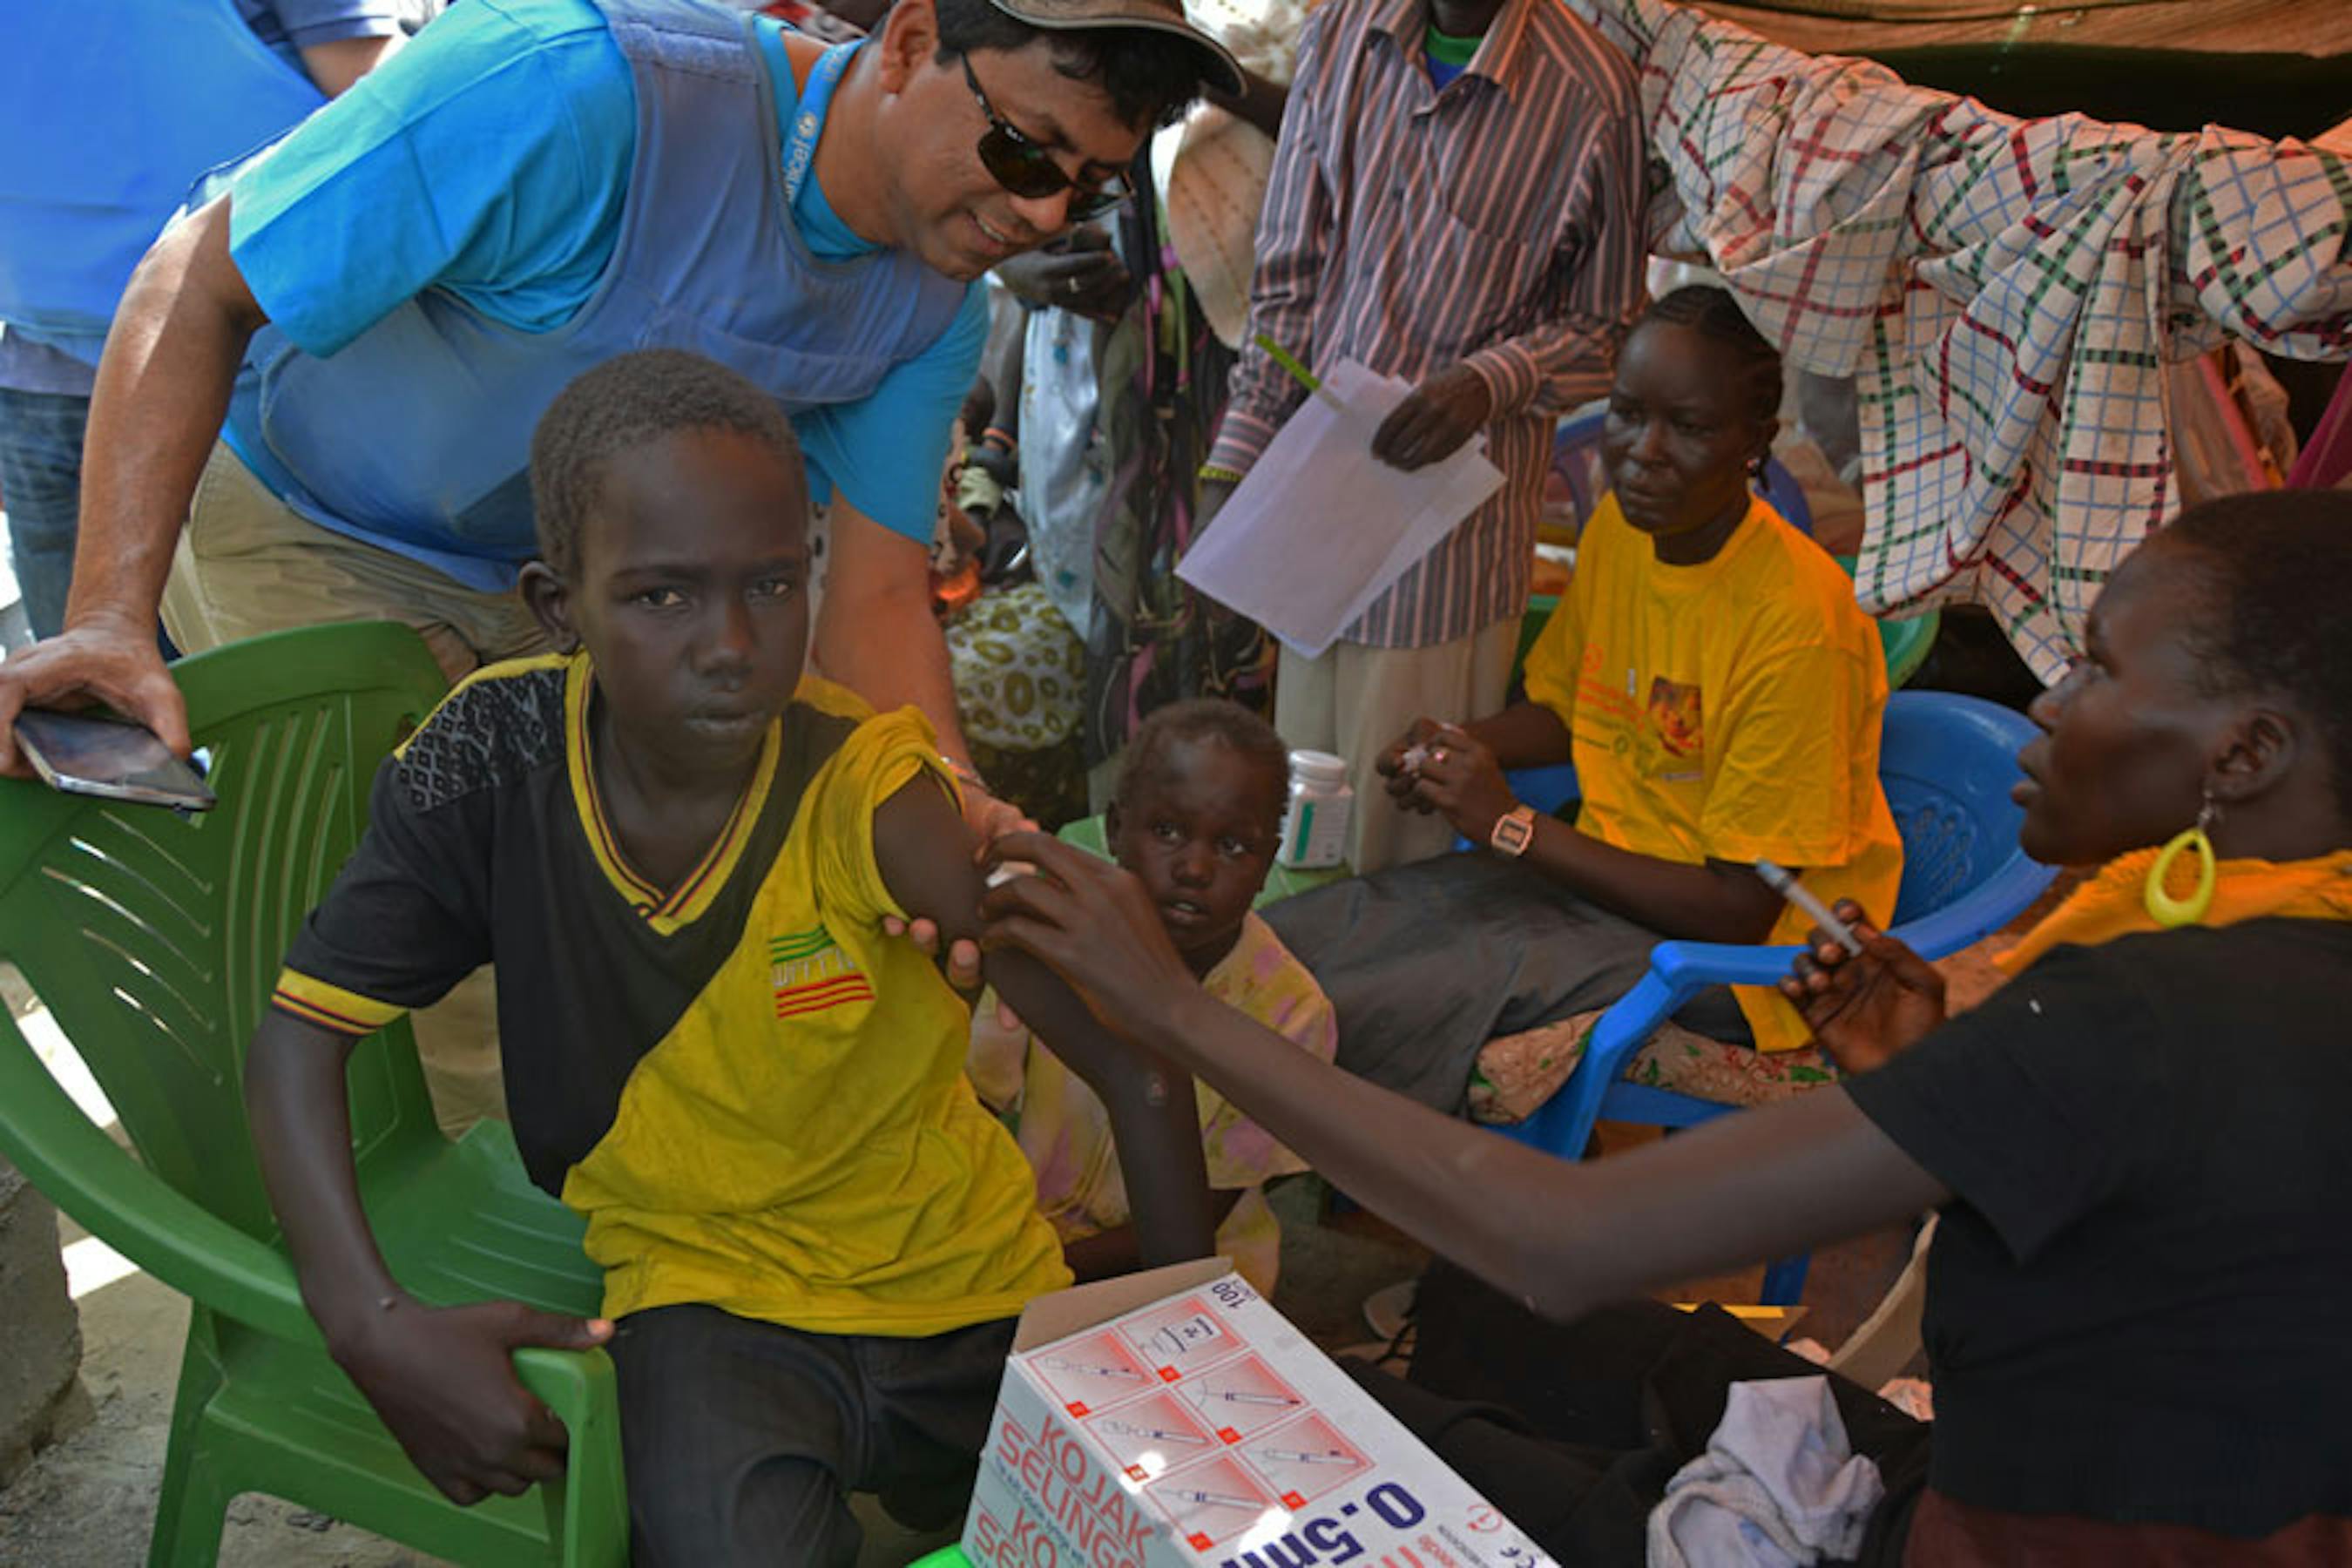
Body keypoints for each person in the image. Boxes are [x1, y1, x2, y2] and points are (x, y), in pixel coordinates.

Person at [980, 486, 2352, 1558]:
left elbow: (1561, 1242)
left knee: (1323, 1431)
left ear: (2245, 755)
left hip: (1998, 1537)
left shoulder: (2141, 1009)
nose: (2048, 704)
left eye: (2100, 671)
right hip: (2053, 1486)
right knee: (1487, 1328)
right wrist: (1935, 1082)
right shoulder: (2249, 965)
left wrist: (1167, 1005)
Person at [241, 352, 1214, 1566]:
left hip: (964, 1291)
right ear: (558, 607)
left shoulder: (874, 789)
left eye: (770, 582)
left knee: (1144, 1535)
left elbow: (1143, 1072)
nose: (732, 645)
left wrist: (1197, 1372)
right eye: (662, 597)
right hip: (706, 1300)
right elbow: (297, 1037)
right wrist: (370, 1322)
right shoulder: (487, 760)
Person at [0, 0, 1241, 847]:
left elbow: (870, 601)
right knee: (417, 928)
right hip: (301, 511)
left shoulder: (934, 310)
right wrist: (111, 612)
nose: (1040, 218)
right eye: (1029, 154)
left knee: (611, 914)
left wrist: (951, 803)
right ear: (912, 38)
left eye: (1090, 187)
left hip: (541, 581)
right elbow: (192, 280)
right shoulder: (573, 89)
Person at [1265, 287, 1903, 1114]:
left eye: (1693, 427)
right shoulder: (1622, 534)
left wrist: (1509, 826)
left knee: (1363, 1008)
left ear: (1756, 443)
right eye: (1629, 414)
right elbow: (1574, 710)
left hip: (1739, 966)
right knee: (1303, 944)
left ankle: (1457, 1217)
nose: (1644, 452)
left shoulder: (1799, 622)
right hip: (1603, 881)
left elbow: (1741, 911)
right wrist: (1461, 743)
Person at [1197, 0, 1646, 871]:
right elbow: (1288, 274)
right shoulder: (1346, 31)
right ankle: (1300, 1001)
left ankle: (1391, 1001)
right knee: (1298, 808)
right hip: (1319, 504)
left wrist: (1489, 381)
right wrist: (1237, 457)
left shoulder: (1591, 92)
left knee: (1399, 830)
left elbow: (1611, 326)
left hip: (1448, 549)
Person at [0, 0, 409, 639]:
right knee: (95, 705)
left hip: (239, 389)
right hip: (65, 382)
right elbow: (394, 102)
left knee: (248, 701)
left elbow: (399, 112)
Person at [967, 699, 1335, 1294]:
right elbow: (973, 1106)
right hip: (1025, 1245)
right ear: (1115, 831)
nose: (1194, 868)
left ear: (1268, 862)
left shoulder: (1291, 1014)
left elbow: (1193, 1224)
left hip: (1187, 1277)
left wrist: (1028, 1276)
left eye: (1233, 847)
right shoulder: (1052, 943)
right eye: (1167, 832)